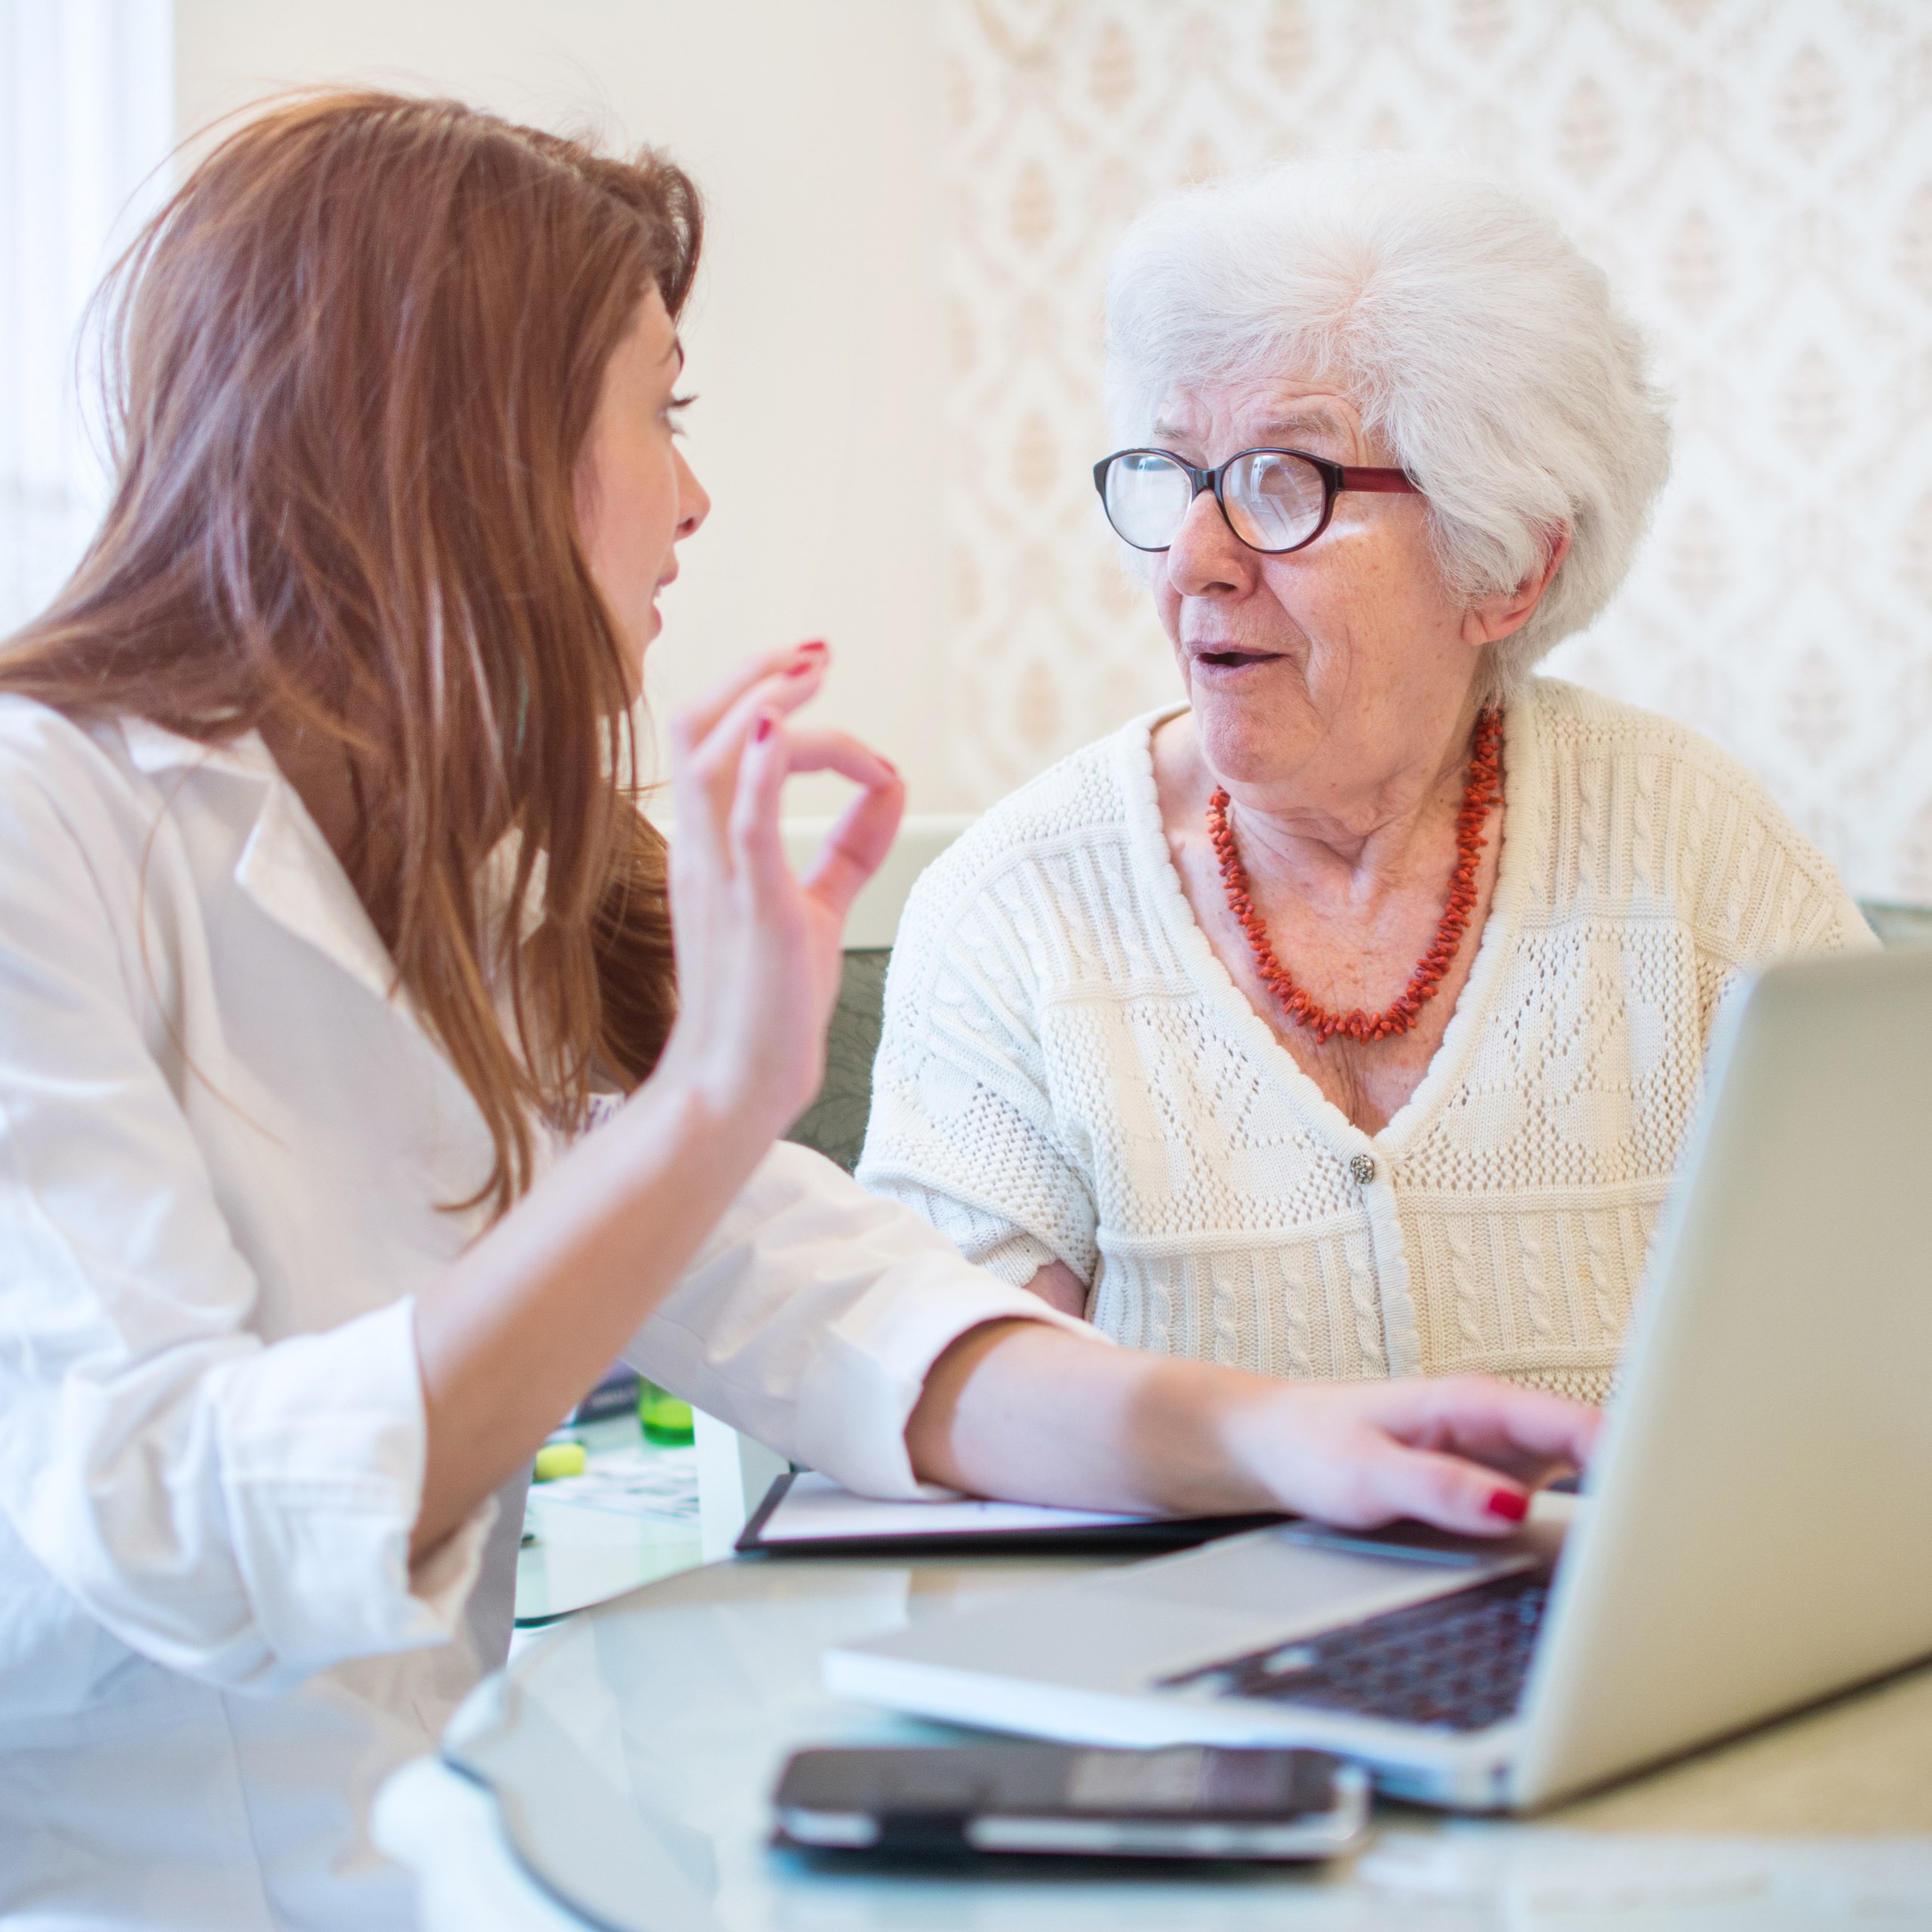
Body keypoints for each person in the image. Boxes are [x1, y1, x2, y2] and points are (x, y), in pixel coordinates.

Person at [0, 100, 1598, 1930]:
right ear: (465, 441)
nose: (693, 496)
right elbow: (174, 1523)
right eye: (659, 410)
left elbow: (837, 1310)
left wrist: (1283, 1438)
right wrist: (704, 1104)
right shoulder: (39, 829)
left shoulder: (487, 873)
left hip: (438, 1870)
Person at [860, 158, 1875, 1401]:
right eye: (1176, 473)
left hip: (1649, 1601)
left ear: (1505, 567)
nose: (1195, 559)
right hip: (1190, 1604)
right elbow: (941, 1400)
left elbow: (1885, 1326)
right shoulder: (1017, 908)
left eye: (1286, 480)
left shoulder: (1700, 855)